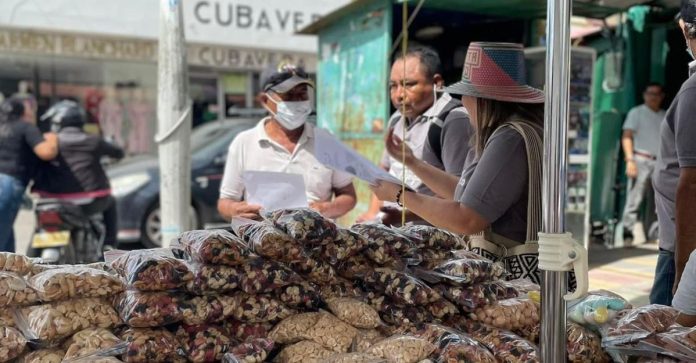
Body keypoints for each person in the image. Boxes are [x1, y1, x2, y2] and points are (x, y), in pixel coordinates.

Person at [370, 42, 546, 282]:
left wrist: (401, 196)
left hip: (516, 277)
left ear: (483, 99)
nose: (462, 101)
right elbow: (465, 193)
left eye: (466, 94)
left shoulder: (510, 137)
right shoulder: (502, 133)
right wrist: (412, 162)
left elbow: (467, 218)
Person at [217, 63, 357, 221]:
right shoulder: (244, 143)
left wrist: (325, 208)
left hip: (316, 242)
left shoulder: (327, 142)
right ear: (264, 100)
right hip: (264, 241)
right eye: (288, 96)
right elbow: (226, 202)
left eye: (302, 94)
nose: (297, 102)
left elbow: (348, 195)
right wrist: (235, 210)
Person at [357, 46, 474, 225]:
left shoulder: (453, 120)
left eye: (409, 84)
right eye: (393, 86)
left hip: (433, 236)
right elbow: (385, 170)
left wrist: (406, 215)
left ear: (437, 83)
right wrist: (372, 213)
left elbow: (458, 194)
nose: (399, 95)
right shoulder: (396, 120)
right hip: (393, 230)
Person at [650, 0, 696, 306]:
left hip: (684, 250)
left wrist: (682, 267)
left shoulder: (694, 90)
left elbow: (691, 184)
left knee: (661, 346)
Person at [32, 100, 124, 248]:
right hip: (88, 203)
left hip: (52, 201)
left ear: (58, 122)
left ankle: (30, 260)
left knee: (41, 229)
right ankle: (109, 245)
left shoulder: (49, 143)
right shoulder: (94, 140)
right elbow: (118, 152)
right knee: (111, 201)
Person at [0, 96, 58, 252]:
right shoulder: (25, 127)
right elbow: (46, 152)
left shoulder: (3, 128)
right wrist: (52, 139)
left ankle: (8, 274)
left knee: (5, 232)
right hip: (9, 184)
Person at [621, 82, 665, 239]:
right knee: (635, 197)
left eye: (656, 94)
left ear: (662, 97)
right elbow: (627, 136)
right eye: (650, 93)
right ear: (644, 95)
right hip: (640, 158)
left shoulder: (665, 115)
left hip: (660, 161)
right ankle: (627, 232)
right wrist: (630, 160)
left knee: (658, 201)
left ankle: (654, 235)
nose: (653, 97)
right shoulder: (636, 112)